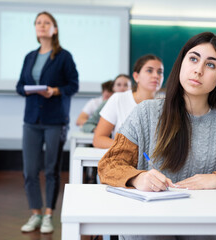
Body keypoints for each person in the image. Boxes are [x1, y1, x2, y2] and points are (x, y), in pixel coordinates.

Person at [98, 32, 216, 240]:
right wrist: (138, 177)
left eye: (210, 65)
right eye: (193, 59)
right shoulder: (146, 113)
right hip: (150, 225)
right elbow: (109, 164)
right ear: (181, 64)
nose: (198, 70)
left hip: (204, 227)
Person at [16, 11, 78, 234]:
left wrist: (55, 90)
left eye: (47, 23)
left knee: (51, 169)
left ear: (55, 29)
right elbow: (19, 86)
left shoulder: (63, 56)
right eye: (38, 23)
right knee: (30, 170)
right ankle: (35, 213)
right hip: (32, 120)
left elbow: (73, 85)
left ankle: (49, 215)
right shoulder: (30, 56)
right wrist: (28, 90)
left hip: (55, 121)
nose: (41, 26)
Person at [93, 54, 164, 149]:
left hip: (155, 162)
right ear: (136, 76)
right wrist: (128, 148)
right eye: (149, 71)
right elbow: (98, 139)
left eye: (160, 72)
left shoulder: (167, 103)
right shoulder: (118, 99)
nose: (156, 76)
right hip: (124, 159)